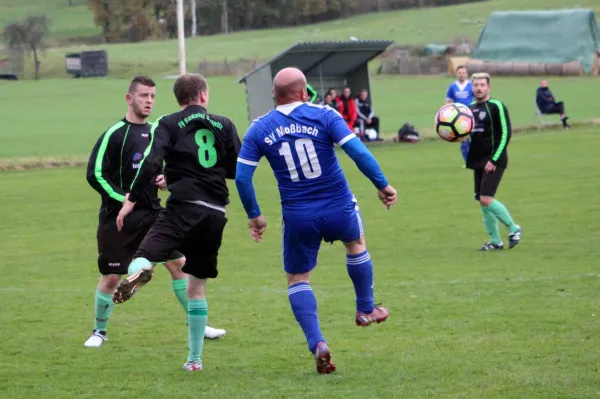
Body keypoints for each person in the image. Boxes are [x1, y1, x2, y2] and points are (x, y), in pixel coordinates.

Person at [235, 67, 397, 374]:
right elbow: (358, 152)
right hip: (339, 206)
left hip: (299, 216)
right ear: (303, 91)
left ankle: (318, 343)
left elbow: (243, 178)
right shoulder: (326, 116)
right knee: (356, 244)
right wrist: (383, 185)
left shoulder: (259, 128)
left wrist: (255, 216)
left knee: (297, 278)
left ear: (274, 94)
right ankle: (365, 309)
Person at [84, 76, 225, 348]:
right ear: (129, 99)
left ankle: (198, 323)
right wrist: (123, 197)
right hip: (119, 218)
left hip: (155, 214)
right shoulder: (114, 134)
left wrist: (165, 179)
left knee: (180, 266)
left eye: (152, 96)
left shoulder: (157, 131)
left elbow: (167, 167)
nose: (149, 101)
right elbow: (96, 174)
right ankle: (99, 331)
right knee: (112, 277)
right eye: (143, 96)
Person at [112, 73, 241, 372]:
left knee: (144, 255)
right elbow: (235, 168)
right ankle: (194, 360)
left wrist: (131, 198)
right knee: (196, 288)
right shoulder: (225, 124)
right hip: (215, 213)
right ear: (204, 96)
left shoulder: (168, 123)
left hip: (183, 208)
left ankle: (141, 271)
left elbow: (151, 161)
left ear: (178, 98)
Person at [468, 73, 522, 251]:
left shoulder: (496, 106)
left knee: (486, 198)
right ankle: (495, 241)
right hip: (477, 160)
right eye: (476, 85)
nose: (479, 88)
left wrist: (494, 159)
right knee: (481, 200)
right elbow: (467, 133)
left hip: (494, 159)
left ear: (488, 87)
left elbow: (506, 134)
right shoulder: (470, 108)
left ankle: (514, 228)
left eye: (482, 85)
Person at [446, 66, 474, 165]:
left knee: (476, 138)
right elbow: (448, 101)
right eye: (459, 73)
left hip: (472, 115)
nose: (461, 75)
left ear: (467, 74)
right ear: (456, 74)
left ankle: (478, 159)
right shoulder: (452, 87)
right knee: (464, 139)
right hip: (460, 119)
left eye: (463, 73)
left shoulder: (472, 85)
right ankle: (468, 162)